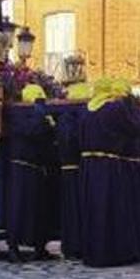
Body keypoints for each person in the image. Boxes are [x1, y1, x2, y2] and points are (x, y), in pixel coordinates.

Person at [78, 78, 140, 267]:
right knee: (112, 208)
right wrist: (138, 110)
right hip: (110, 164)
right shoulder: (113, 108)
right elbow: (134, 129)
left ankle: (93, 252)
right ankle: (113, 252)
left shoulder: (86, 110)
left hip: (89, 165)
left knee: (93, 208)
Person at [5, 84, 58, 262]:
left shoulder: (39, 114)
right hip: (21, 167)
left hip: (37, 167)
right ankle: (13, 248)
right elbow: (32, 132)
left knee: (40, 210)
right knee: (18, 208)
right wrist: (41, 115)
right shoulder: (17, 114)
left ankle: (39, 247)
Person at [56, 82, 92, 259]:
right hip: (71, 170)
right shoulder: (69, 118)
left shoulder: (69, 117)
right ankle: (73, 245)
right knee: (73, 209)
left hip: (76, 169)